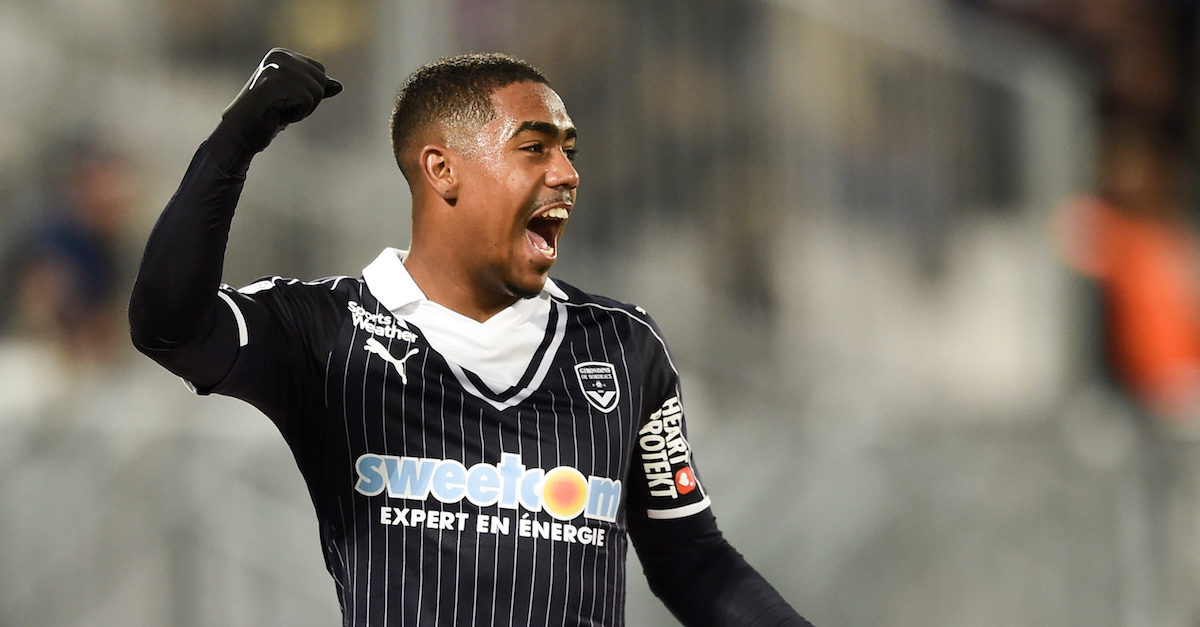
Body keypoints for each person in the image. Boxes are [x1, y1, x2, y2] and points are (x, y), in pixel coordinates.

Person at [129, 48, 811, 626]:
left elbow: (694, 561)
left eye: (569, 152)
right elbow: (168, 328)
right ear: (442, 169)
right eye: (535, 148)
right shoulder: (326, 331)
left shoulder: (624, 346)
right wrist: (234, 141)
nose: (567, 174)